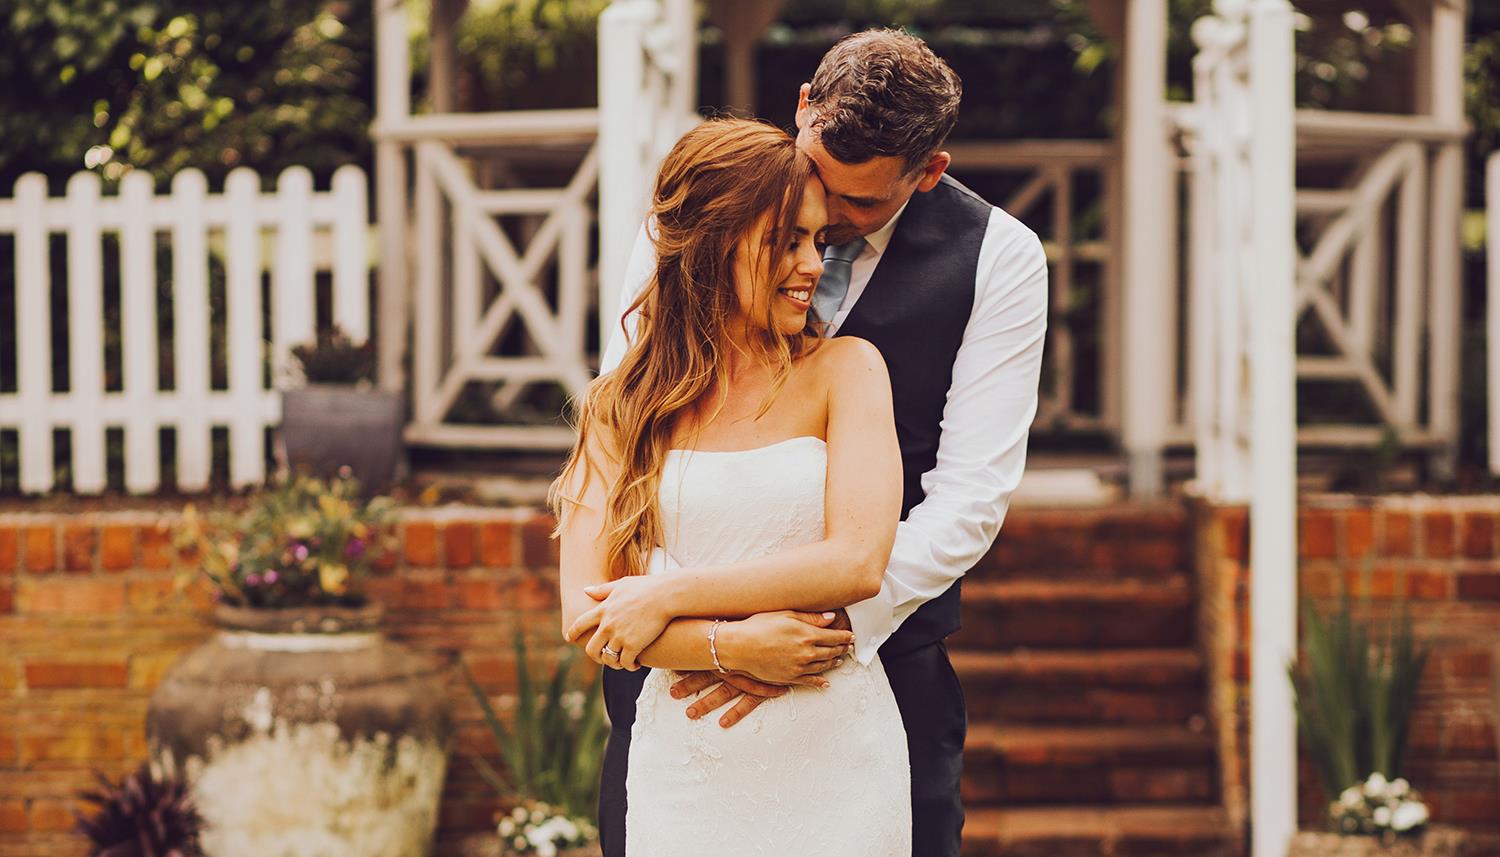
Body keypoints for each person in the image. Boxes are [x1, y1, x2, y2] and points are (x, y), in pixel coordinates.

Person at [581, 28, 1048, 857]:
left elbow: (969, 499)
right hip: (674, 681)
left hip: (880, 663)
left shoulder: (1000, 259)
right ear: (804, 107)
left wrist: (814, 633)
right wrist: (710, 640)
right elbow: (630, 420)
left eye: (857, 204)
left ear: (929, 171)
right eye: (815, 179)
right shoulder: (701, 218)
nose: (823, 222)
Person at [552, 117, 911, 857]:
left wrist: (666, 596)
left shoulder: (846, 370)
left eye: (818, 241)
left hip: (836, 753)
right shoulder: (617, 407)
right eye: (786, 240)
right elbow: (586, 616)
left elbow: (857, 561)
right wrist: (732, 646)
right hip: (689, 765)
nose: (812, 264)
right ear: (714, 242)